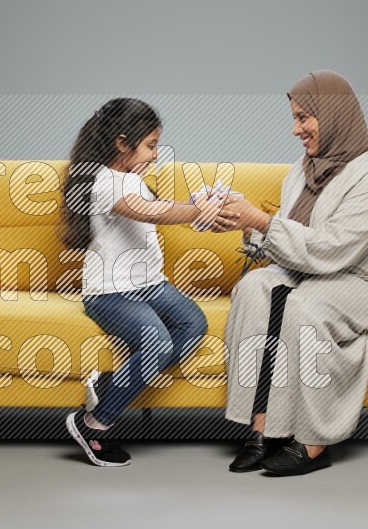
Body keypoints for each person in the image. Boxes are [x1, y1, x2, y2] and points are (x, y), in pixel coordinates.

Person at [214, 70, 368, 476]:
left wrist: (264, 223)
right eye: (295, 118)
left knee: (304, 307)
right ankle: (264, 424)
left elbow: (333, 247)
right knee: (254, 287)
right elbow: (291, 238)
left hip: (364, 281)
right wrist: (244, 225)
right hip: (312, 272)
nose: (296, 129)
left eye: (304, 118)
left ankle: (316, 439)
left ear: (333, 114)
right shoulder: (302, 170)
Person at [60, 98, 237, 467]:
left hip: (151, 285)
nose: (156, 155)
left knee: (193, 323)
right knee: (155, 341)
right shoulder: (105, 181)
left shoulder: (131, 180)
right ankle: (94, 423)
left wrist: (198, 203)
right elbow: (147, 211)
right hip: (111, 293)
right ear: (122, 144)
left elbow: (159, 210)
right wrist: (195, 211)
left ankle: (108, 386)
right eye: (150, 146)